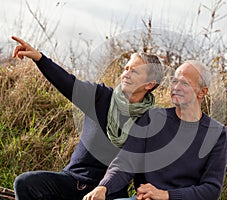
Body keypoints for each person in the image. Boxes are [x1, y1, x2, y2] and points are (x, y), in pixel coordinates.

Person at [11, 36, 164, 200]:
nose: (126, 74)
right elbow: (68, 83)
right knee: (25, 182)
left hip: (109, 193)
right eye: (125, 68)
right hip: (74, 181)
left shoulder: (150, 121)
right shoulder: (101, 96)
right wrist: (39, 58)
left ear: (149, 84)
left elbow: (141, 167)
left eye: (133, 71)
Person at [84, 60, 227, 200]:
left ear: (202, 92)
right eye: (174, 81)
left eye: (184, 83)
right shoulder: (152, 118)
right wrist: (104, 187)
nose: (176, 87)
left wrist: (166, 196)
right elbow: (126, 162)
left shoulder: (216, 132)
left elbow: (211, 189)